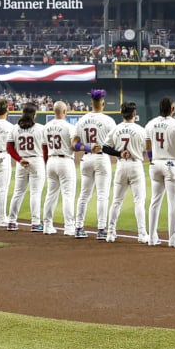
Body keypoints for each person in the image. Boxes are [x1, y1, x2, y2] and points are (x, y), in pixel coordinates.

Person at [145, 97, 175, 246]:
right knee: (173, 203)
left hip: (155, 164)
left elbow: (148, 146)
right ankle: (173, 238)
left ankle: (151, 237)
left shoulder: (150, 124)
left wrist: (152, 158)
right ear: (172, 109)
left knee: (154, 202)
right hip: (172, 164)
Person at [72, 89, 117, 239]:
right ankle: (101, 230)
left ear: (91, 103)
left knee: (84, 195)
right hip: (101, 158)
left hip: (86, 158)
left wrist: (87, 147)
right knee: (102, 195)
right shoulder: (109, 121)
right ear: (103, 103)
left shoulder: (81, 120)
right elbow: (115, 145)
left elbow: (74, 145)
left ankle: (78, 227)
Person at [104, 101, 149, 242]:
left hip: (121, 166)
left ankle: (110, 233)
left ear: (121, 113)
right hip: (136, 166)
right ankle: (142, 234)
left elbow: (105, 148)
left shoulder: (116, 129)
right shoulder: (141, 130)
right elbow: (147, 149)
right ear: (134, 114)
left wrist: (118, 153)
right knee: (139, 202)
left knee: (116, 201)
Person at [40, 101, 78, 234]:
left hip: (51, 161)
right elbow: (74, 146)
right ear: (65, 111)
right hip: (65, 161)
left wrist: (47, 163)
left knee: (51, 194)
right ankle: (69, 227)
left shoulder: (46, 127)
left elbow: (44, 149)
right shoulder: (69, 127)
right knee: (68, 195)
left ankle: (47, 225)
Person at [8, 101, 46, 231]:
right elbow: (46, 148)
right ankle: (35, 223)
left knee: (18, 193)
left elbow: (9, 148)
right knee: (35, 193)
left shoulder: (14, 128)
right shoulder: (41, 128)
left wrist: (19, 159)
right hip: (36, 161)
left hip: (21, 162)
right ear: (34, 114)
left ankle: (11, 221)